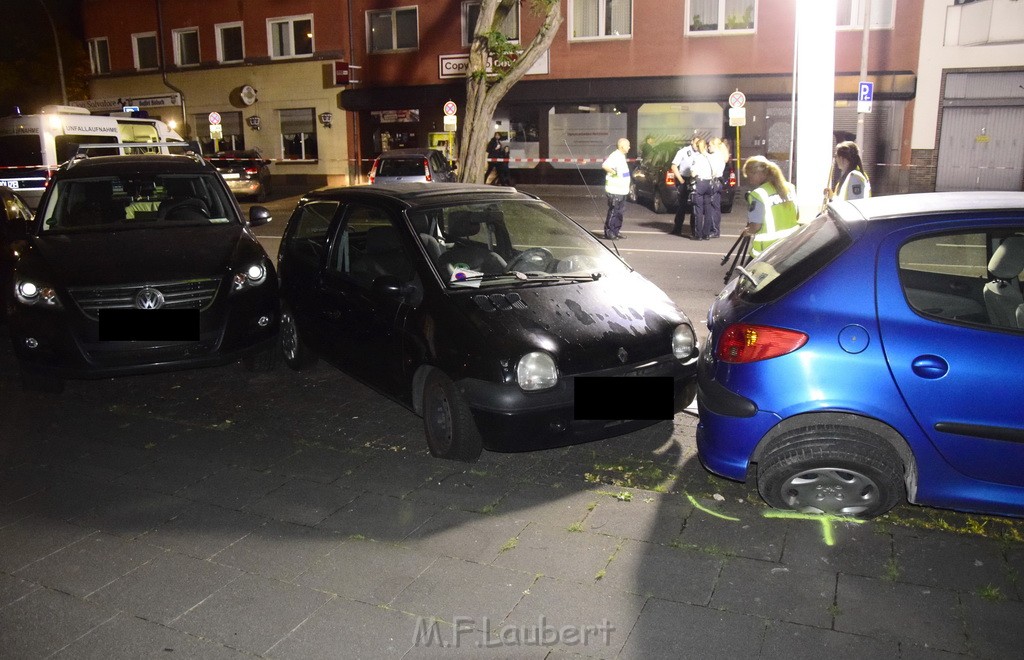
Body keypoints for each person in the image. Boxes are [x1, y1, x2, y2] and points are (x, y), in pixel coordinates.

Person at [741, 155, 799, 259]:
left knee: (748, 274)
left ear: (758, 173)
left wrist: (747, 231)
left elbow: (756, 226)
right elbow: (796, 215)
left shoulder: (759, 194)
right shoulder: (789, 188)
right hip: (790, 245)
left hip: (767, 250)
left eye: (750, 176)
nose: (749, 180)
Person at [688, 137, 722, 241]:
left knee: (699, 209)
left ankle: (698, 235)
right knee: (708, 209)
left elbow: (693, 173)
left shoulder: (697, 158)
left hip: (701, 183)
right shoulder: (711, 157)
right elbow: (716, 171)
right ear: (706, 146)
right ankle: (706, 234)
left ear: (698, 147)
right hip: (709, 184)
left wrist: (692, 173)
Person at [602, 137, 631, 240]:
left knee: (619, 212)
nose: (629, 147)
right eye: (628, 145)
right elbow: (605, 165)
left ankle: (616, 231)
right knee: (614, 211)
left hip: (622, 190)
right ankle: (609, 232)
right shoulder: (615, 156)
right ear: (622, 146)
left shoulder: (621, 156)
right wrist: (613, 172)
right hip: (615, 190)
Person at [670, 136, 698, 236]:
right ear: (691, 142)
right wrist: (681, 180)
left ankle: (694, 229)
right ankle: (677, 228)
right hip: (684, 179)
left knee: (695, 206)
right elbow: (673, 166)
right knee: (682, 205)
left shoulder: (701, 153)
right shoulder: (683, 151)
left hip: (695, 180)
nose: (697, 146)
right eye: (696, 143)